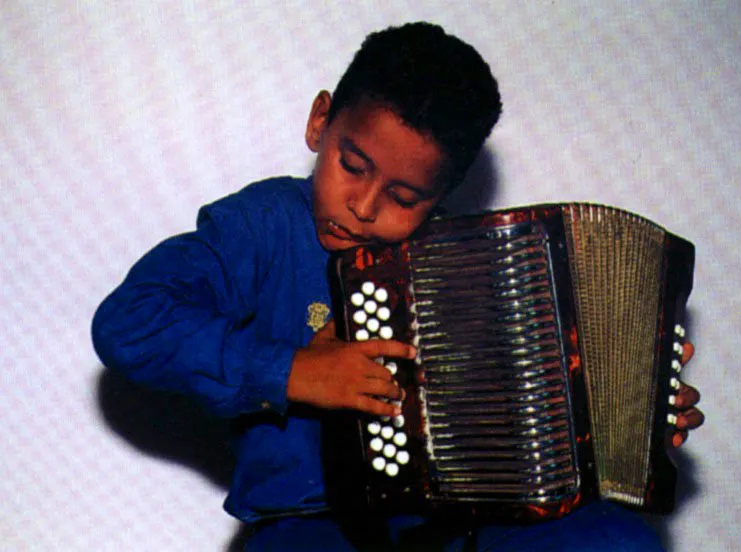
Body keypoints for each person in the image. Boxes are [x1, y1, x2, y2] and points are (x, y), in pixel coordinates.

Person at [92, 22, 704, 551]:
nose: (362, 206)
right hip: (310, 528)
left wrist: (637, 408)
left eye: (404, 197)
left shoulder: (474, 266)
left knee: (615, 542)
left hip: (471, 523)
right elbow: (129, 323)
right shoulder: (262, 225)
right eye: (351, 166)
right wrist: (292, 371)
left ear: (441, 196)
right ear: (320, 122)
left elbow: (539, 409)